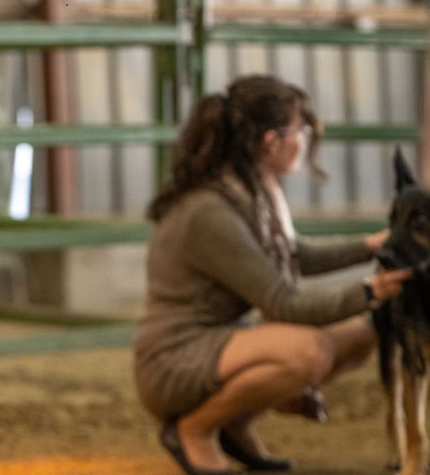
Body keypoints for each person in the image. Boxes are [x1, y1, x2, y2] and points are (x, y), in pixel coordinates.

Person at [132, 75, 412, 475]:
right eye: (300, 129)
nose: (306, 138)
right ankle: (194, 430)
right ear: (270, 141)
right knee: (308, 351)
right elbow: (283, 302)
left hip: (220, 341)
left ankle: (235, 423)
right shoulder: (211, 212)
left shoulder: (256, 191)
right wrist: (371, 289)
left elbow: (295, 257)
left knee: (360, 336)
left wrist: (372, 246)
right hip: (174, 359)